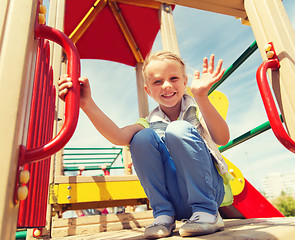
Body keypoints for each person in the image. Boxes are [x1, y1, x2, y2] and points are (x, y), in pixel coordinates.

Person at [58, 51, 229, 238]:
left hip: (209, 193)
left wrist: (201, 96)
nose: (166, 85)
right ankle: (164, 215)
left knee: (178, 129)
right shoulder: (148, 121)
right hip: (176, 201)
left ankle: (208, 212)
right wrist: (87, 104)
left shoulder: (197, 111)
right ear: (148, 90)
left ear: (184, 81)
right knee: (140, 138)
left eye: (174, 78)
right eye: (157, 82)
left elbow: (222, 138)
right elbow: (118, 136)